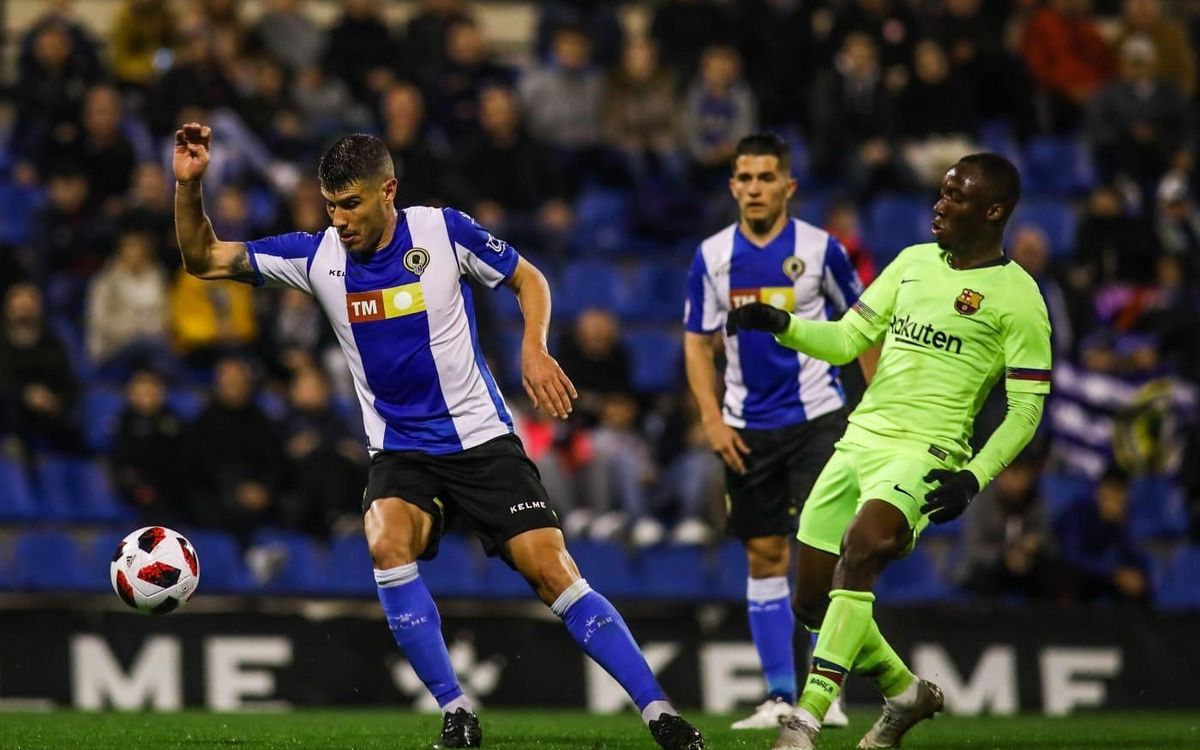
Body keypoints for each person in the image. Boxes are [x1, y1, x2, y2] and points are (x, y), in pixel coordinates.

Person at [173, 123, 704, 750]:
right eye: (331, 205)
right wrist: (190, 186)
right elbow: (203, 258)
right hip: (401, 453)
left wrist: (534, 348)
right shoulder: (317, 257)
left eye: (352, 204)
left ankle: (660, 714)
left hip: (480, 440)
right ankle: (457, 711)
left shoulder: (442, 231)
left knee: (552, 569)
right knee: (384, 538)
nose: (339, 220)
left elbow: (528, 278)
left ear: (388, 191)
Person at [727, 153, 1051, 749]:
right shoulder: (911, 264)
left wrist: (972, 477)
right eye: (942, 191)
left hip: (927, 454)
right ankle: (905, 695)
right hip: (859, 440)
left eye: (956, 196)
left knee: (866, 545)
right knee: (811, 604)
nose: (940, 203)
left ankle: (805, 721)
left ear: (994, 211)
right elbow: (848, 339)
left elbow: (1026, 411)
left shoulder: (1019, 298)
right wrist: (783, 323)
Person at [683, 133, 875, 731]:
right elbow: (696, 343)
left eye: (767, 177)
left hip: (819, 420)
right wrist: (712, 420)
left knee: (824, 556)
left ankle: (826, 693)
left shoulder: (823, 251)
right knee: (765, 554)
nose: (755, 188)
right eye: (745, 177)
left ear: (788, 186)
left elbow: (865, 327)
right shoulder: (711, 256)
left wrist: (876, 410)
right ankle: (777, 695)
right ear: (733, 185)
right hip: (747, 429)